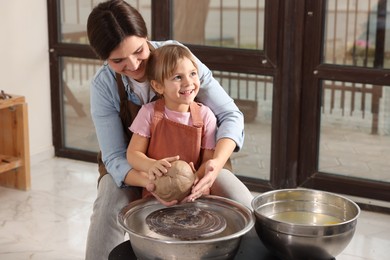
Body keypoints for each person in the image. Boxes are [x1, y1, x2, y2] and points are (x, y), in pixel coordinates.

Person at [85, 1, 254, 259]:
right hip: (137, 166)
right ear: (105, 59)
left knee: (242, 202)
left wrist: (215, 165)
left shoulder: (178, 58)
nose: (133, 65)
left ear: (146, 37)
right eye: (118, 60)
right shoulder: (103, 85)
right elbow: (115, 157)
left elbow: (230, 115)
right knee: (108, 204)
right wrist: (151, 182)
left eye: (139, 51)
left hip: (199, 162)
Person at [127, 44, 216, 202]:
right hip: (156, 194)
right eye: (178, 77)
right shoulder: (149, 113)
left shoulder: (205, 116)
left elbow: (208, 160)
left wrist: (196, 178)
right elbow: (133, 154)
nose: (188, 82)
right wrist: (150, 165)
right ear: (158, 86)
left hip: (195, 195)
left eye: (193, 74)